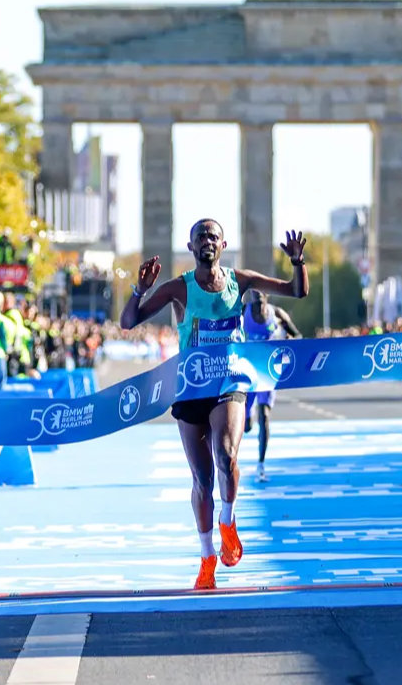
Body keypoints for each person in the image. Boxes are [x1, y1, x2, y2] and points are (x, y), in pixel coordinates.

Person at [121, 220, 309, 590]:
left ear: (223, 243)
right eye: (199, 237)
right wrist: (139, 290)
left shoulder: (240, 280)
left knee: (227, 456)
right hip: (191, 387)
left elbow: (296, 292)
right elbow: (129, 321)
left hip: (229, 381)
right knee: (202, 480)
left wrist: (299, 262)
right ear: (191, 247)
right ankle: (207, 556)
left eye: (212, 235)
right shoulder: (179, 288)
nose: (206, 240)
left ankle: (228, 520)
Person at [240, 289, 298, 483]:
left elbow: (298, 336)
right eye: (255, 295)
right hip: (247, 374)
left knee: (264, 416)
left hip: (267, 374)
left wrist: (288, 341)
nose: (258, 298)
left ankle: (261, 464)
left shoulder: (278, 314)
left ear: (267, 296)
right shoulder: (242, 311)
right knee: (246, 426)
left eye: (261, 293)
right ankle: (246, 422)